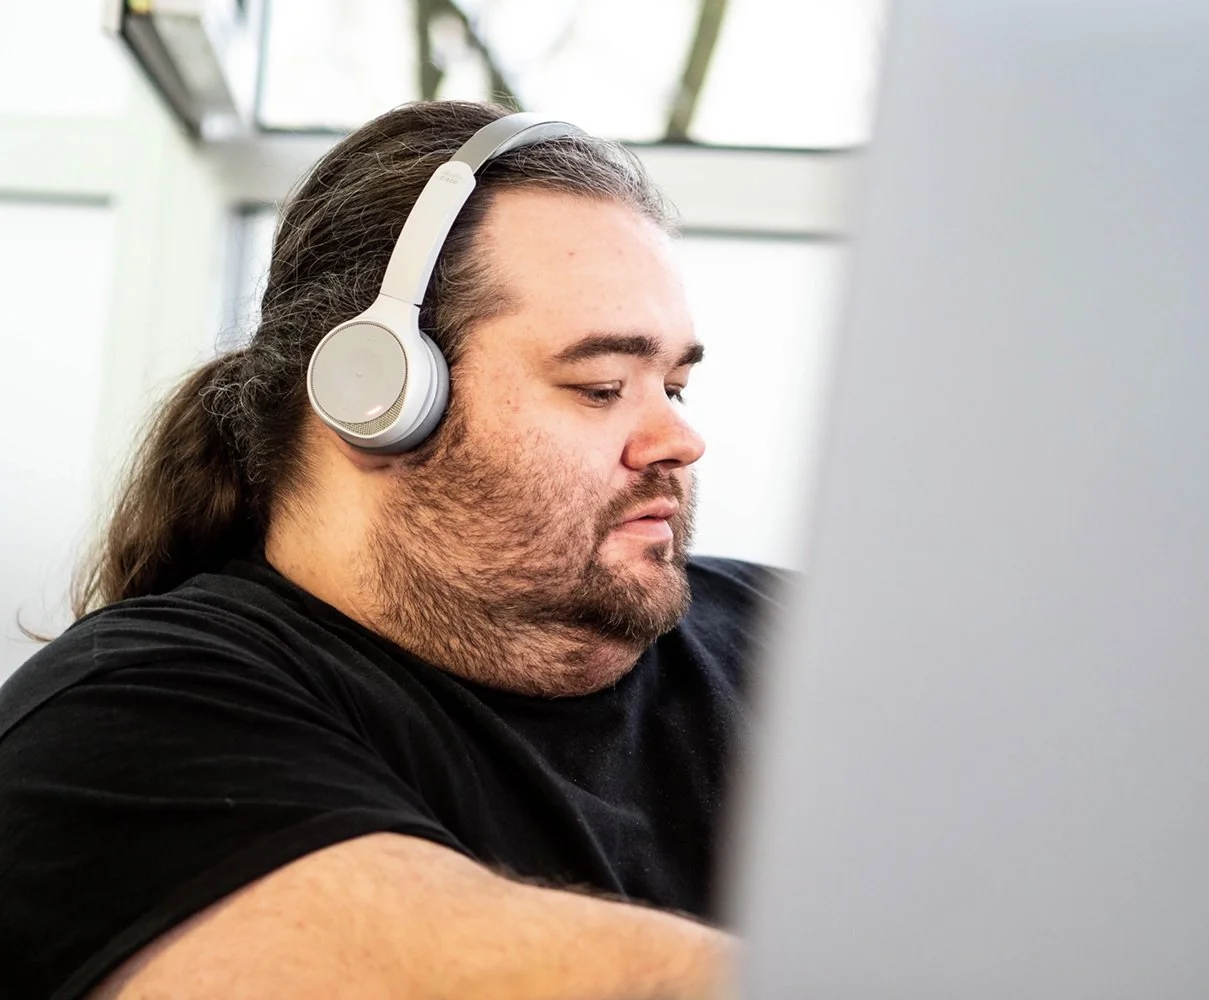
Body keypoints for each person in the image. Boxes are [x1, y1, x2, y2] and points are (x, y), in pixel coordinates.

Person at [0, 101, 784, 1000]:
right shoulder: (119, 724)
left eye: (674, 385)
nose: (677, 439)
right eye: (601, 385)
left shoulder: (800, 642)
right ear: (377, 395)